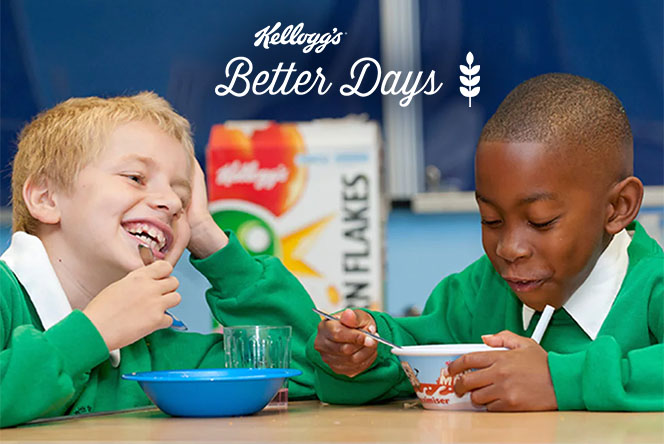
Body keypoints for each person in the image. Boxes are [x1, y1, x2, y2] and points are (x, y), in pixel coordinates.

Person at [309, 73, 663, 411]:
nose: (509, 248)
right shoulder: (479, 293)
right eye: (491, 220)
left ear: (618, 207)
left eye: (541, 221)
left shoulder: (651, 288)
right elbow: (412, 358)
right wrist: (362, 352)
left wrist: (559, 382)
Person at [0, 92, 319, 427]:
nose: (170, 202)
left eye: (182, 197)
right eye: (135, 178)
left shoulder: (153, 346)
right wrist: (93, 333)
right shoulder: (6, 296)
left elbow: (309, 368)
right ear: (46, 199)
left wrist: (206, 234)